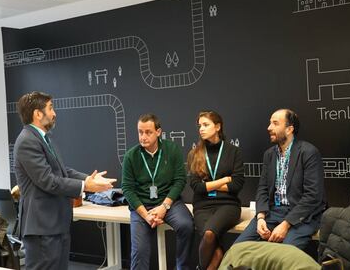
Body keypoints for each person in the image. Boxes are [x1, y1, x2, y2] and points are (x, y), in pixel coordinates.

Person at [13, 91, 116, 270]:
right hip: (42, 229)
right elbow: (48, 181)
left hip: (55, 225)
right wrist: (86, 186)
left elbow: (63, 170)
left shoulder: (44, 139)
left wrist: (88, 179)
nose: (54, 113)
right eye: (50, 108)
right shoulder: (27, 141)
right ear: (38, 114)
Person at [235, 109, 325, 250]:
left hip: (302, 215)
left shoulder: (308, 152)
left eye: (275, 123)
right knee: (238, 249)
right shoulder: (269, 155)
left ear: (289, 129)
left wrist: (286, 224)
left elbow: (313, 196)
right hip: (273, 212)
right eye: (270, 123)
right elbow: (263, 189)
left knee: (285, 253)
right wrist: (260, 218)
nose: (269, 128)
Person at [122, 113, 194, 270]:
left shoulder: (172, 149)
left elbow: (180, 180)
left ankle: (182, 267)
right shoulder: (131, 156)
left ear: (158, 132)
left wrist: (164, 207)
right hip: (142, 206)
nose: (143, 137)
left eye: (148, 132)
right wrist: (146, 215)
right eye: (140, 132)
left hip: (169, 203)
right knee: (139, 251)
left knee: (186, 225)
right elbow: (127, 189)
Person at [187, 110, 244, 270]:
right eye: (200, 126)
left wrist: (210, 185)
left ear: (218, 127)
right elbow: (197, 187)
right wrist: (224, 180)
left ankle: (199, 267)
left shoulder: (233, 152)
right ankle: (212, 261)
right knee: (216, 253)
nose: (201, 129)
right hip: (202, 206)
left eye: (206, 125)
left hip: (228, 205)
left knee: (210, 234)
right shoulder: (194, 154)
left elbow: (237, 185)